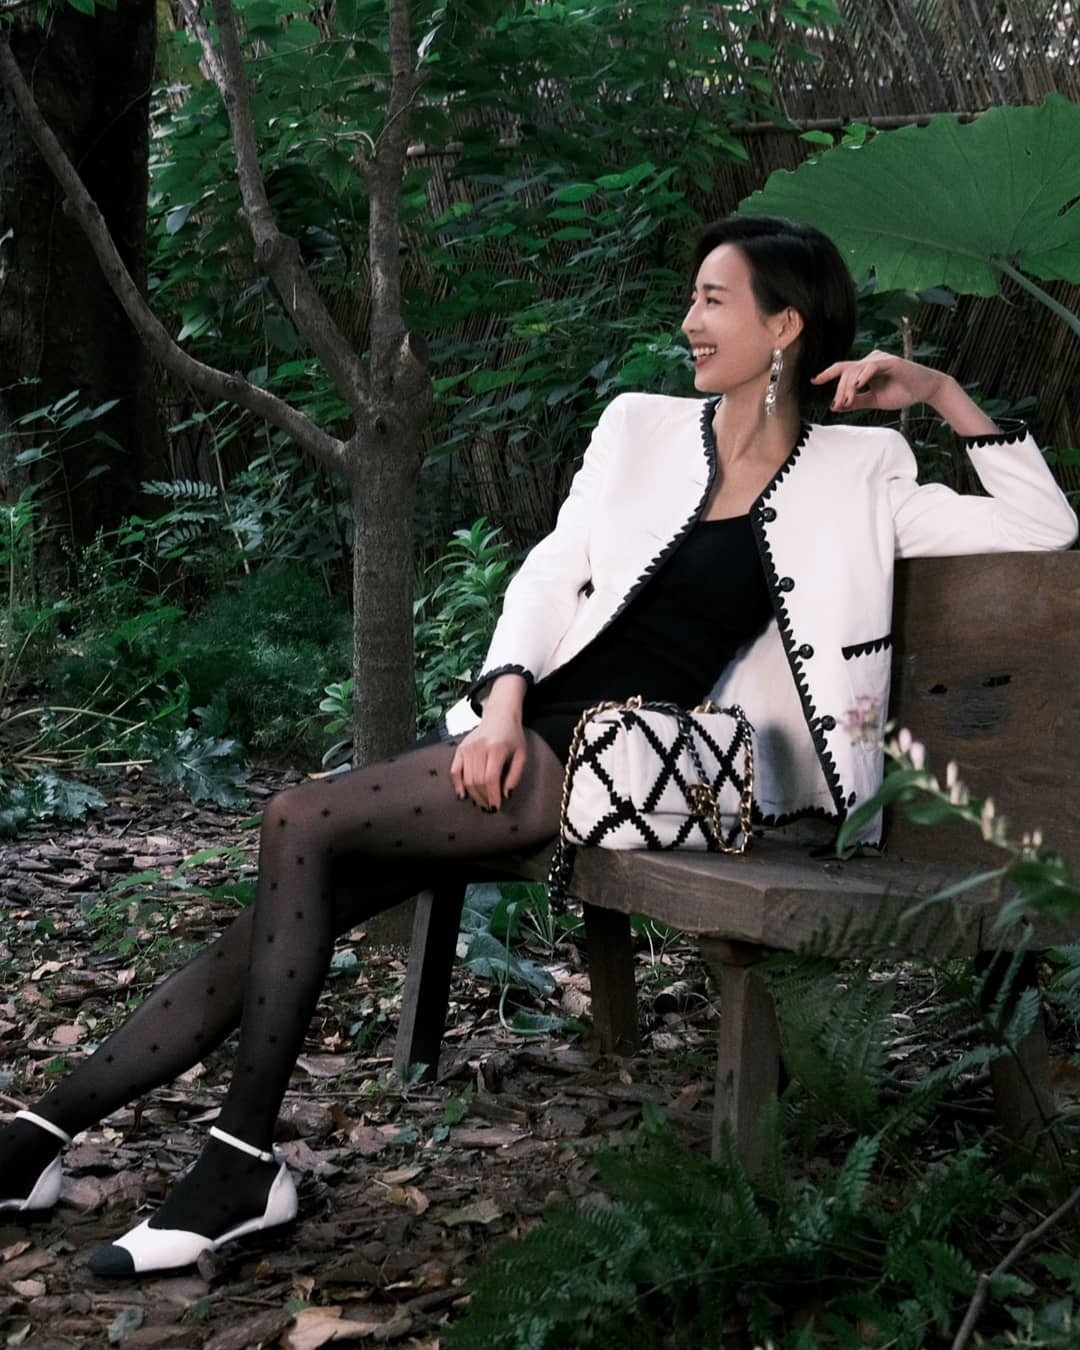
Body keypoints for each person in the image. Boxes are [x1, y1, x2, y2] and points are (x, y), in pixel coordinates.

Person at [1, 216, 1074, 1276]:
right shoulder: (641, 427)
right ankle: (41, 1138)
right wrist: (503, 701)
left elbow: (1044, 530)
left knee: (300, 817)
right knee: (289, 903)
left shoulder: (863, 469)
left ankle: (236, 1167)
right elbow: (554, 568)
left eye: (713, 300)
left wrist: (941, 394)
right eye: (693, 297)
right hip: (532, 731)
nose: (689, 320)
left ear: (785, 325)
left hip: (632, 769)